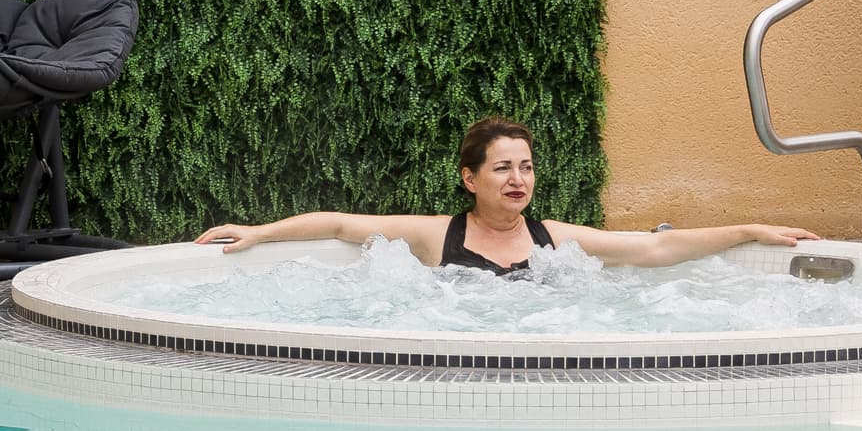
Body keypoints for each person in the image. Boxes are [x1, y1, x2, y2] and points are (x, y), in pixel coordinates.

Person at [194, 117, 815, 274]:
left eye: (526, 167)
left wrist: (750, 231)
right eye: (501, 169)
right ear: (470, 179)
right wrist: (258, 233)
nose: (518, 180)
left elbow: (655, 250)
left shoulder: (554, 239)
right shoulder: (436, 235)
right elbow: (337, 225)